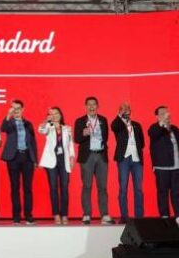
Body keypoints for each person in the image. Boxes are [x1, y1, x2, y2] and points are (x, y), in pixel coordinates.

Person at [74, 96, 115, 225]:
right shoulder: (80, 121)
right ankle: (86, 214)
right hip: (87, 156)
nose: (91, 107)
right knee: (87, 186)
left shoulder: (103, 120)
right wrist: (83, 134)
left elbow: (106, 137)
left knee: (102, 187)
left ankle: (105, 215)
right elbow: (76, 139)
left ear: (97, 106)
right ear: (85, 106)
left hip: (101, 155)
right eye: (89, 104)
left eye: (94, 104)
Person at [149, 106, 179, 225]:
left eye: (167, 112)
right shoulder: (154, 128)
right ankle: (165, 215)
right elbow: (154, 134)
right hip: (161, 167)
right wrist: (162, 123)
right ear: (157, 116)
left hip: (177, 167)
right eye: (162, 113)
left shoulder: (175, 129)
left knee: (176, 192)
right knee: (163, 192)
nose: (166, 115)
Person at [0, 99, 38, 225]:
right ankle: (16, 216)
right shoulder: (9, 123)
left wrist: (35, 159)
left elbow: (33, 142)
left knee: (28, 188)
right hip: (13, 158)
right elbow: (3, 128)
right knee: (14, 187)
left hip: (27, 157)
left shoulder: (28, 124)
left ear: (22, 109)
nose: (16, 111)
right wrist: (8, 115)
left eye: (18, 108)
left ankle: (28, 215)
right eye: (13, 108)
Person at [38, 106, 76, 225]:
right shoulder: (48, 127)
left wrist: (72, 157)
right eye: (52, 114)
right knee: (53, 188)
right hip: (51, 161)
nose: (54, 115)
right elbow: (41, 130)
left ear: (60, 115)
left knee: (64, 188)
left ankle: (64, 214)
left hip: (64, 160)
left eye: (56, 113)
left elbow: (70, 144)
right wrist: (46, 121)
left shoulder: (67, 128)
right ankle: (56, 214)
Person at [111, 102, 145, 223]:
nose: (125, 110)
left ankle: (139, 217)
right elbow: (113, 126)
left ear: (130, 111)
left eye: (127, 108)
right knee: (123, 188)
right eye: (123, 109)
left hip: (136, 159)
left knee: (138, 189)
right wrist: (119, 115)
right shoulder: (119, 124)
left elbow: (142, 142)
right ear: (119, 111)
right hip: (124, 159)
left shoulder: (136, 125)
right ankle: (124, 216)